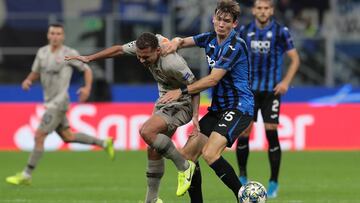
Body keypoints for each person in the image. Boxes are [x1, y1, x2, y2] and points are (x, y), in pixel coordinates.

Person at [65, 32, 203, 203]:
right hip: (165, 102)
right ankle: (151, 200)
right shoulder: (145, 45)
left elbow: (196, 86)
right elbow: (118, 50)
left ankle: (184, 167)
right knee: (153, 149)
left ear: (158, 51)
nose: (142, 60)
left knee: (147, 131)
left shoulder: (172, 62)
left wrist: (196, 116)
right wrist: (90, 58)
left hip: (183, 103)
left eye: (146, 57)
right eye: (139, 56)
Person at [161, 0, 254, 201]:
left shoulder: (235, 46)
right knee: (187, 157)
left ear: (234, 24)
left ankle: (242, 197)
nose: (221, 24)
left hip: (239, 107)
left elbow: (213, 79)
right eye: (219, 19)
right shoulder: (210, 38)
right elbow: (183, 41)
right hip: (218, 109)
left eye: (227, 21)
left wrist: (182, 91)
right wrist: (176, 41)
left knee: (210, 153)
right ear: (213, 19)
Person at [5, 23, 115, 186]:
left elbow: (87, 69)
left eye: (58, 33)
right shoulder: (42, 53)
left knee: (39, 135)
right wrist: (29, 79)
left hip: (59, 102)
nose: (55, 36)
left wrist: (87, 88)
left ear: (63, 37)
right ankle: (104, 143)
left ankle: (26, 174)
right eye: (52, 33)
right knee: (68, 136)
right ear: (48, 35)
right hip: (49, 101)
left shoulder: (68, 53)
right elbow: (36, 72)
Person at [235, 0, 300, 198]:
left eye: (266, 8)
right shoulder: (244, 31)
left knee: (271, 132)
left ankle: (273, 181)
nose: (263, 11)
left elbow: (295, 59)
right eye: (259, 8)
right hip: (249, 91)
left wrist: (286, 82)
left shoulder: (281, 31)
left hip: (272, 91)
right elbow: (235, 56)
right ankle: (243, 176)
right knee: (244, 131)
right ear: (254, 10)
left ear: (271, 11)